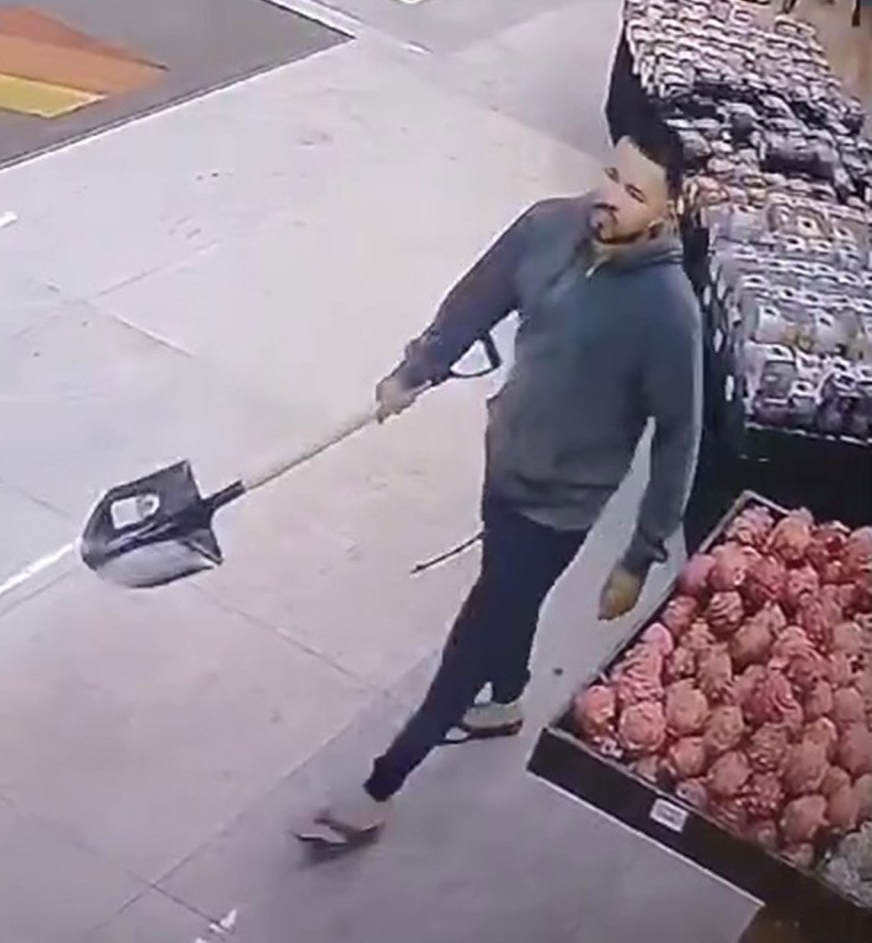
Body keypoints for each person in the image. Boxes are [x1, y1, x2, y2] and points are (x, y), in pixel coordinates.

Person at [297, 120, 703, 846]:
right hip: (506, 463)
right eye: (611, 176)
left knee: (477, 631)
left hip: (561, 508)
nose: (608, 197)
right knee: (506, 599)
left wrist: (639, 555)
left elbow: (679, 435)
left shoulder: (668, 314)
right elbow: (476, 300)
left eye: (633, 192)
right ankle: (507, 702)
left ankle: (381, 786)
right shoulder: (550, 228)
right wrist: (417, 368)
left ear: (668, 211)